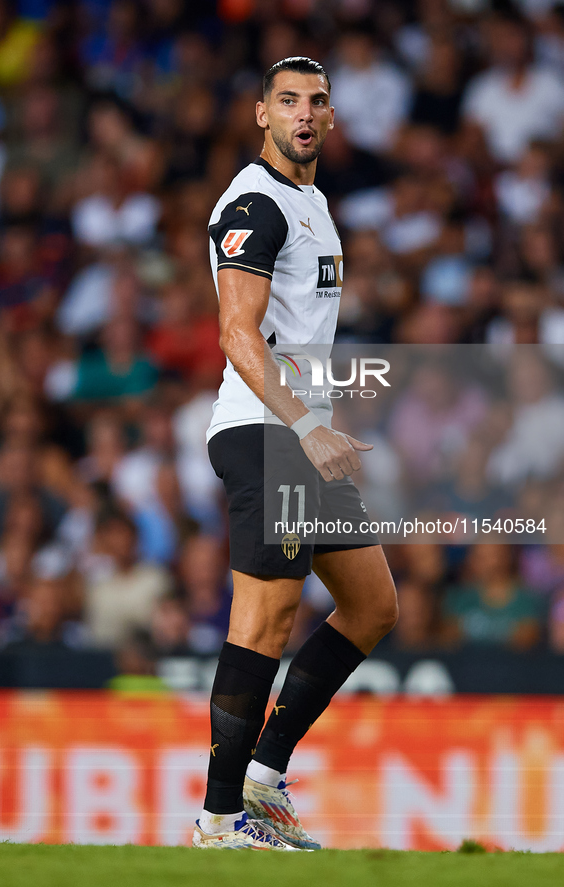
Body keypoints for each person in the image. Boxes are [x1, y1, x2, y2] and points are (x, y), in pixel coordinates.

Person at [193, 57, 398, 852]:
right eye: (288, 101)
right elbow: (237, 333)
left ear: (332, 118)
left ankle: (263, 774)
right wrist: (303, 424)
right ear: (260, 114)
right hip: (262, 427)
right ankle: (217, 821)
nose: (303, 113)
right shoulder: (256, 200)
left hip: (301, 430)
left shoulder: (310, 200)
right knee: (267, 614)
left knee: (374, 605)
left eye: (316, 101)